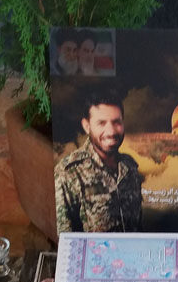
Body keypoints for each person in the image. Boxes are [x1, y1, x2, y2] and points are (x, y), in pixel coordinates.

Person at [54, 88, 142, 234]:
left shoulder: (130, 168)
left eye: (117, 122)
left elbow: (138, 227)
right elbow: (65, 239)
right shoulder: (68, 173)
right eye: (101, 123)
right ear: (86, 126)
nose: (111, 131)